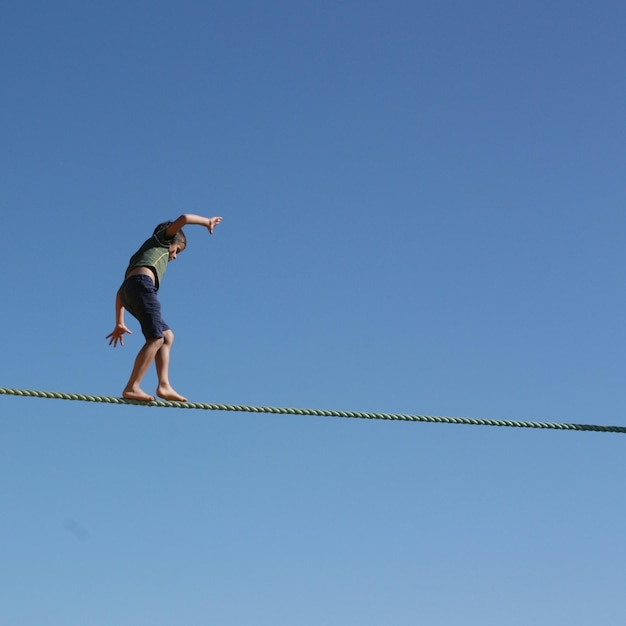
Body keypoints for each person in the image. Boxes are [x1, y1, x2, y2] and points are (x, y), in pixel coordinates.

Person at [107, 214, 223, 402]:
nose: (175, 256)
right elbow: (184, 218)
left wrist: (119, 321)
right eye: (177, 250)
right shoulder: (162, 239)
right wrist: (206, 222)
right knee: (156, 338)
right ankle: (132, 386)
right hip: (143, 287)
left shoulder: (140, 257)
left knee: (167, 336)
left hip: (131, 291)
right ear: (170, 239)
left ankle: (164, 385)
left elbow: (121, 291)